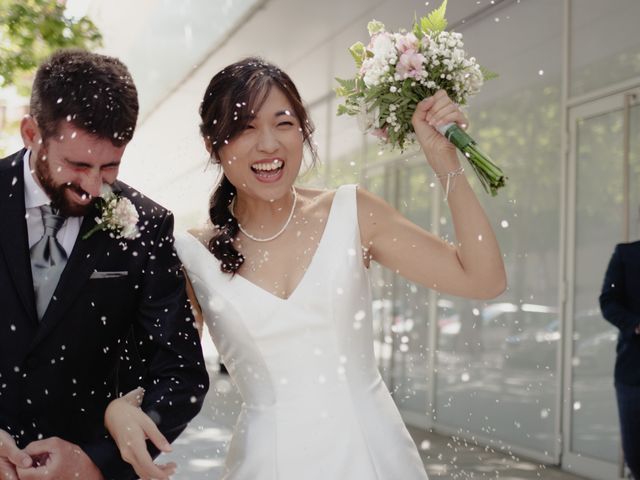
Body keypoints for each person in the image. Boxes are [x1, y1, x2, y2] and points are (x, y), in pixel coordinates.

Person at [105, 57, 506, 479]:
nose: (268, 145)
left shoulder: (353, 211)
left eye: (283, 123)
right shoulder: (191, 254)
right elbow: (170, 374)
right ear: (213, 143)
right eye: (244, 127)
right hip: (268, 463)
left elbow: (483, 279)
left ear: (304, 131)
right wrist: (120, 406)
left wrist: (446, 163)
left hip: (374, 456)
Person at [0, 49, 209, 480]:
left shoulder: (147, 224)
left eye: (110, 166)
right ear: (30, 133)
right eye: (77, 165)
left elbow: (181, 373)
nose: (94, 187)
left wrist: (97, 461)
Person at [600, 242, 640, 479]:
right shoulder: (626, 255)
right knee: (635, 455)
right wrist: (635, 324)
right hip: (633, 373)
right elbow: (608, 301)